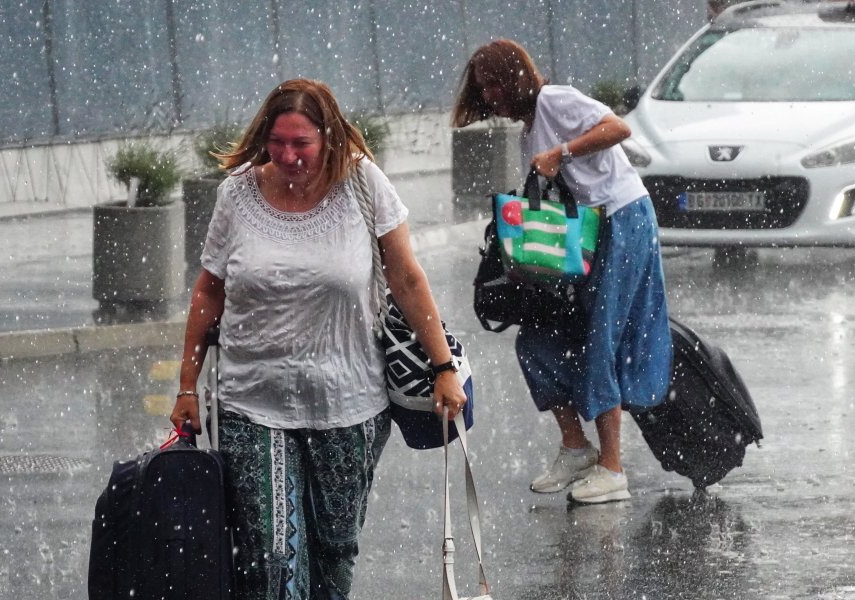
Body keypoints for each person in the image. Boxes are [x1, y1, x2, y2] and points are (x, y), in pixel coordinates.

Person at [170, 78, 468, 599]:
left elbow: (406, 278)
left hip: (348, 405)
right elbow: (209, 291)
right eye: (277, 142)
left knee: (334, 555)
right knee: (273, 557)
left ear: (328, 137)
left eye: (300, 143)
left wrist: (443, 368)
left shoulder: (362, 184)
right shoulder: (237, 193)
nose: (288, 156)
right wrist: (187, 386)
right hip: (252, 403)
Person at [451, 40, 672, 505]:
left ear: (515, 77)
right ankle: (576, 447)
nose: (489, 96)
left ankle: (613, 469)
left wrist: (563, 152)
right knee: (538, 340)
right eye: (483, 88)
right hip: (582, 238)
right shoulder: (528, 131)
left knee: (599, 337)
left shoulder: (555, 100)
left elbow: (618, 128)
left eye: (495, 84)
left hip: (622, 218)